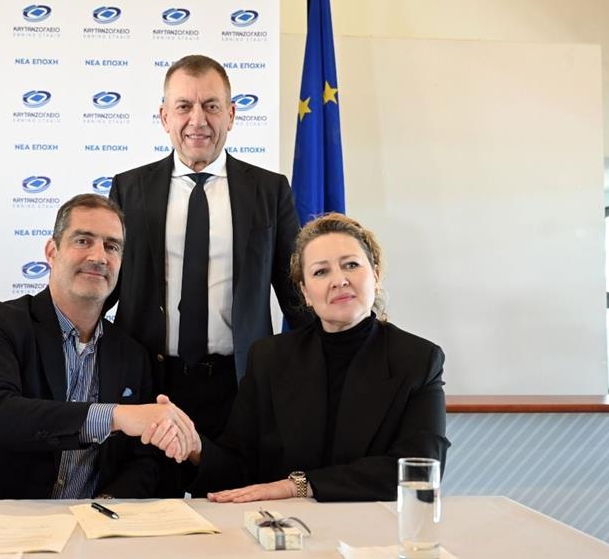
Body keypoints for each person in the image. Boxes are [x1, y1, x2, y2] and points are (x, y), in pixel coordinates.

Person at [145, 213, 449, 502]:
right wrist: (196, 449)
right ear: (305, 292)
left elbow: (421, 470)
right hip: (285, 528)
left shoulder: (419, 360)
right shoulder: (269, 358)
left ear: (376, 276)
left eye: (351, 265)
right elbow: (239, 470)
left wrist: (299, 486)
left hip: (376, 527)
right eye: (321, 272)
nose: (339, 280)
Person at [0, 194, 194, 500]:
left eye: (112, 246)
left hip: (89, 523)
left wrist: (106, 505)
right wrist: (115, 416)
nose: (99, 257)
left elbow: (141, 460)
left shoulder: (131, 354)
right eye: (83, 241)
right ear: (52, 251)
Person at [107, 55, 312, 442]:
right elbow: (104, 288)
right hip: (149, 387)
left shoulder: (269, 191)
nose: (198, 120)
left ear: (231, 115)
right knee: (147, 484)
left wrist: (342, 354)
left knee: (234, 483)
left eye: (211, 106)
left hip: (239, 387)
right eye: (184, 106)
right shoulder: (128, 189)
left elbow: (297, 295)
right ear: (165, 117)